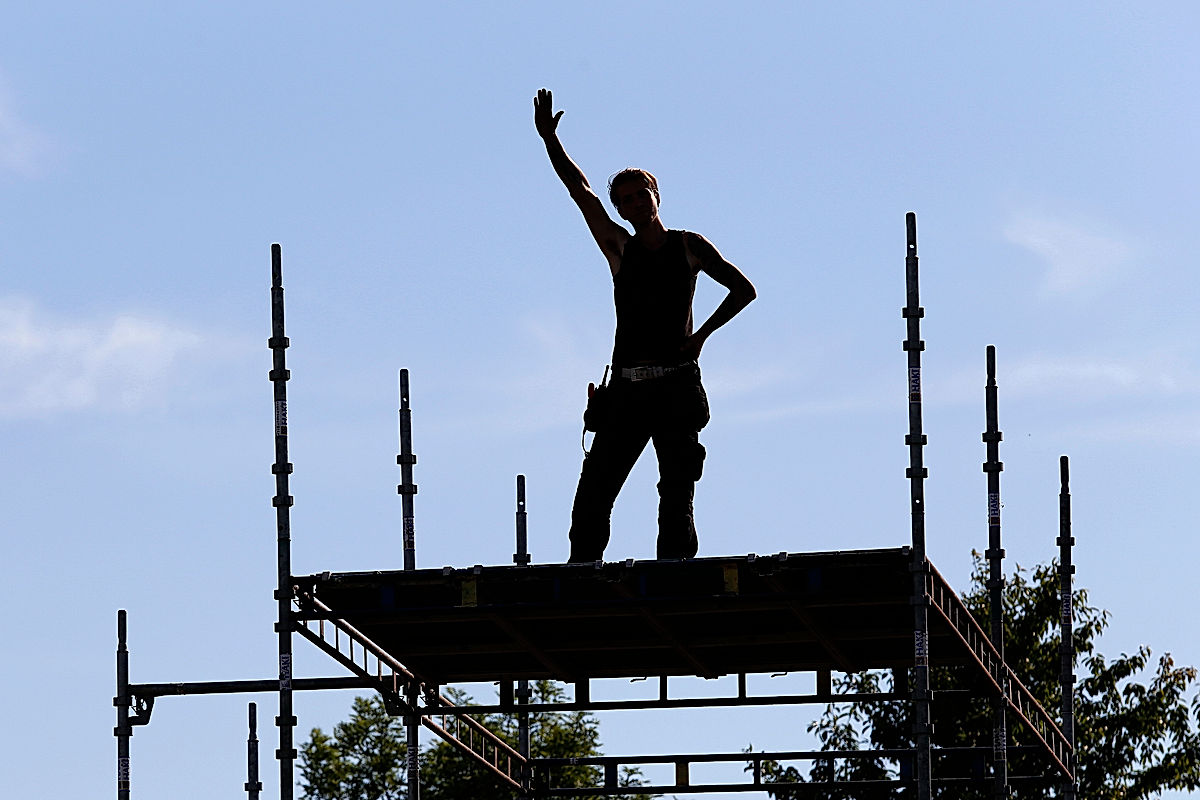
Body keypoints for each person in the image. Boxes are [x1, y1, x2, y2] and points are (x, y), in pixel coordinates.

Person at [534, 88, 756, 563]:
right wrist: (551, 141)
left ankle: (673, 580)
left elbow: (743, 289)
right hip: (628, 391)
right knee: (594, 493)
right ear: (620, 209)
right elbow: (580, 192)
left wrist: (700, 336)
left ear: (656, 196)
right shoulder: (619, 248)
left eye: (642, 194)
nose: (635, 203)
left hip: (676, 386)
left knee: (677, 494)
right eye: (626, 199)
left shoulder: (688, 246)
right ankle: (582, 579)